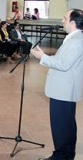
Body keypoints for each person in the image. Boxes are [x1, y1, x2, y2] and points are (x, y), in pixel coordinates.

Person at [31, 9, 83, 160]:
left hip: (64, 90)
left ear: (73, 23)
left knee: (61, 127)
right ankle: (66, 155)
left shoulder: (76, 40)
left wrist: (43, 57)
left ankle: (61, 156)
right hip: (65, 89)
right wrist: (48, 57)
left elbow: (64, 64)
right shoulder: (75, 38)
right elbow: (65, 59)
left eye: (65, 18)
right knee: (67, 125)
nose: (62, 21)